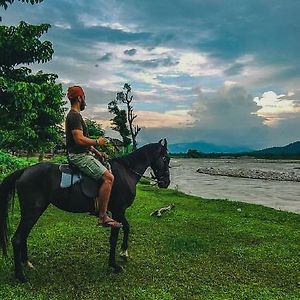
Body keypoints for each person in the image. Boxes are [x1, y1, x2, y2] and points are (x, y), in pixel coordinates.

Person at [65, 85, 122, 228]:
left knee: (106, 169)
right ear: (79, 98)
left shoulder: (75, 116)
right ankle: (103, 216)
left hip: (83, 153)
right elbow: (79, 140)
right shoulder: (74, 116)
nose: (85, 100)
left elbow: (84, 142)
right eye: (84, 97)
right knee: (109, 178)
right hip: (79, 156)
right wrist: (98, 141)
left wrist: (98, 153)